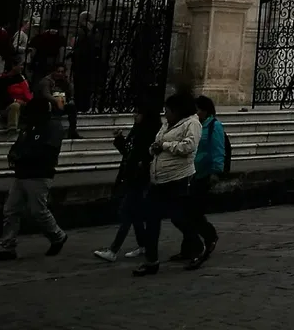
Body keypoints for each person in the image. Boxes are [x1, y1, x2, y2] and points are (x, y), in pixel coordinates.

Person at [0, 96, 67, 262]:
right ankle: (7, 247)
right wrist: (14, 154)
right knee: (10, 210)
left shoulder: (53, 127)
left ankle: (57, 235)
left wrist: (23, 156)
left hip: (39, 174)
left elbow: (47, 151)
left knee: (38, 210)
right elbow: (19, 144)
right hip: (22, 174)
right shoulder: (29, 126)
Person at [132, 93, 205, 277]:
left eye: (169, 110)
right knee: (151, 218)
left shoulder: (192, 124)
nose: (166, 114)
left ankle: (197, 247)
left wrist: (165, 145)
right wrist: (155, 147)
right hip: (158, 178)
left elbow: (188, 147)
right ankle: (151, 260)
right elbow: (157, 142)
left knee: (178, 216)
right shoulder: (167, 125)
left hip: (178, 178)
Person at [93, 103, 158, 263]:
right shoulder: (137, 131)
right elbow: (129, 153)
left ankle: (114, 249)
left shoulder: (149, 134)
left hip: (139, 178)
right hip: (130, 176)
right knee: (134, 213)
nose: (135, 115)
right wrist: (120, 139)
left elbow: (143, 157)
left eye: (138, 112)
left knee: (127, 212)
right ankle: (143, 245)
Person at [175, 96, 225, 269]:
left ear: (205, 110)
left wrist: (216, 171)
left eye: (198, 109)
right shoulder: (194, 125)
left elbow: (218, 149)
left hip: (204, 174)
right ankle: (188, 247)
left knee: (193, 211)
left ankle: (208, 236)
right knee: (185, 211)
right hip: (190, 172)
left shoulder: (213, 126)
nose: (196, 113)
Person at [69, 14, 100, 122]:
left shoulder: (91, 32)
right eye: (90, 21)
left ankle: (84, 105)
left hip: (87, 62)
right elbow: (73, 44)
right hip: (81, 62)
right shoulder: (82, 32)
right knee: (81, 85)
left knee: (85, 85)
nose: (92, 23)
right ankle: (81, 106)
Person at [0, 59, 30, 130]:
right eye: (21, 65)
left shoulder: (21, 78)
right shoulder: (2, 81)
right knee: (15, 105)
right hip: (7, 108)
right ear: (13, 66)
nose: (22, 67)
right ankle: (12, 129)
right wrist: (15, 100)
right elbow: (0, 98)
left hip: (24, 106)